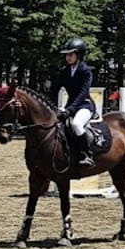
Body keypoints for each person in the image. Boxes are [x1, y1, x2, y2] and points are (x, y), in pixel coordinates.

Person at [53, 37, 97, 166]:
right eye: (66, 55)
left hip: (84, 105)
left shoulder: (86, 71)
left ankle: (87, 154)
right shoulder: (65, 71)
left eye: (70, 54)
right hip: (70, 106)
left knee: (77, 124)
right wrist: (51, 105)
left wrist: (70, 109)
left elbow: (83, 93)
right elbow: (55, 89)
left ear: (79, 55)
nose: (67, 57)